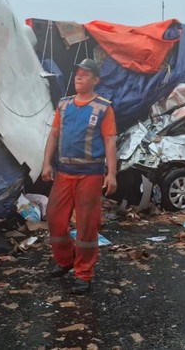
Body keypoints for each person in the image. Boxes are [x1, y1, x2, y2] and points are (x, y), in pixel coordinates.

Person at [41, 58, 117, 295]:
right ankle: (65, 260)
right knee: (55, 219)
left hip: (90, 174)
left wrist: (112, 173)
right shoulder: (63, 105)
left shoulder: (103, 107)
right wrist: (46, 163)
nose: (79, 78)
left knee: (86, 225)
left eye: (85, 75)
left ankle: (84, 273)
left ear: (96, 80)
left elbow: (110, 141)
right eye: (77, 75)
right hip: (64, 172)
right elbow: (53, 135)